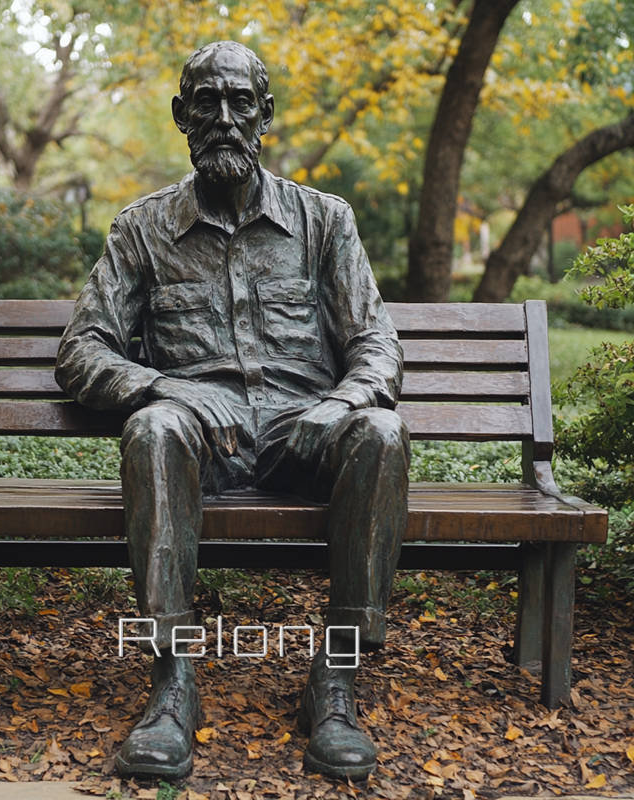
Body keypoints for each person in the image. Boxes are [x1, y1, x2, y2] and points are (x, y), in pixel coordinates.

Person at [55, 40, 410, 781]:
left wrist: (340, 402)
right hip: (197, 437)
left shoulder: (324, 222)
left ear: (265, 116)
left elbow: (376, 343)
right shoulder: (142, 230)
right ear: (182, 116)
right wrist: (165, 387)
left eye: (240, 103)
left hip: (300, 431)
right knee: (153, 427)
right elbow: (82, 351)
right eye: (206, 104)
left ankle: (334, 683)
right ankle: (173, 685)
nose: (224, 119)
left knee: (379, 430)